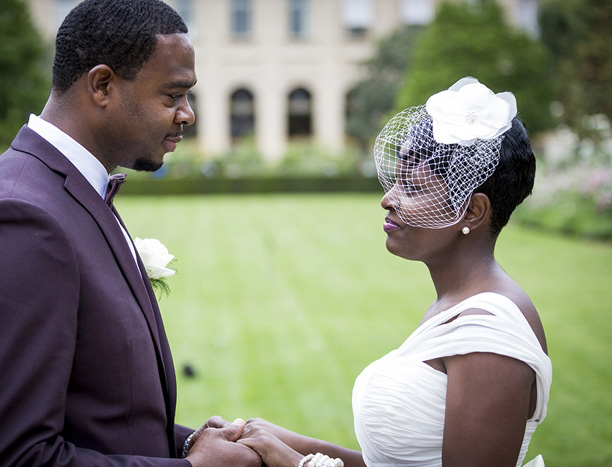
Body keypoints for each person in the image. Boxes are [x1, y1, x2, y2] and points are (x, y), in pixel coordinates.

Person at [0, 1, 260, 466]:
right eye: (173, 96)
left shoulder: (68, 190)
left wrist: (187, 444)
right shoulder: (18, 220)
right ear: (103, 85)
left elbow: (103, 413)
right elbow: (12, 456)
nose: (187, 115)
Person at [236, 77, 552, 467]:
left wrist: (296, 464)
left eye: (413, 188)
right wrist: (293, 443)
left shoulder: (490, 335)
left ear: (471, 212)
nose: (388, 199)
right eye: (396, 181)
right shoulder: (458, 305)